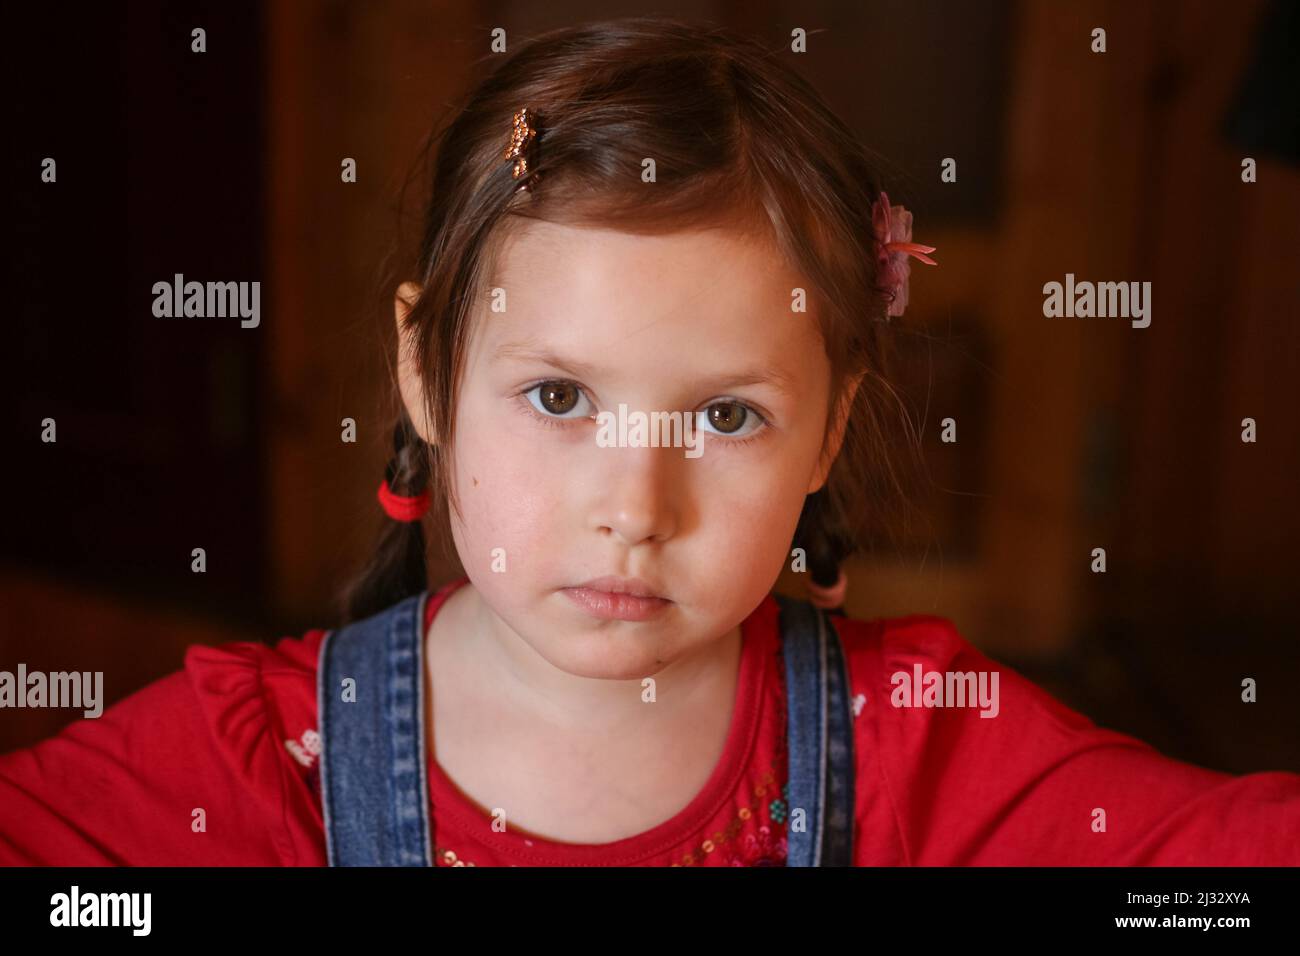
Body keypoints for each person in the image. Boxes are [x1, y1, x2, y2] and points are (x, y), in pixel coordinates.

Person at [2, 16, 1296, 867]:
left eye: (728, 416)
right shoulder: (263, 764)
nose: (636, 503)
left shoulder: (917, 739)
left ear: (831, 426)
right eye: (560, 397)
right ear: (425, 374)